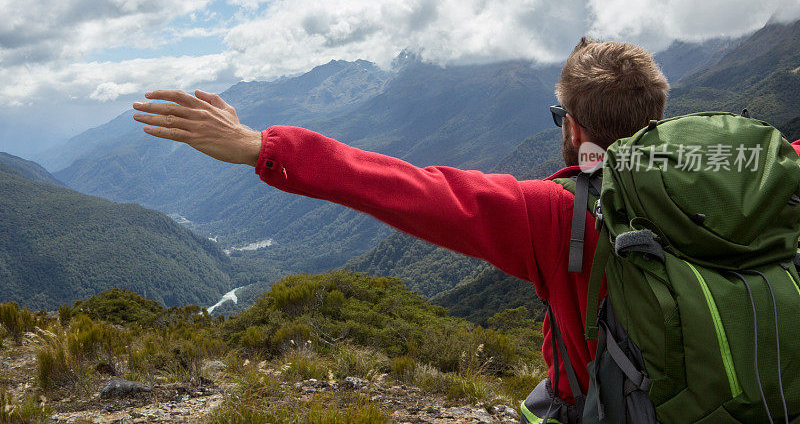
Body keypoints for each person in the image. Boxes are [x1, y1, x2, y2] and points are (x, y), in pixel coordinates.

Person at [131, 38, 800, 417]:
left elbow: (406, 189)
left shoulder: (555, 212)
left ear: (571, 126)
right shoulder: (769, 180)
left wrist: (257, 145)